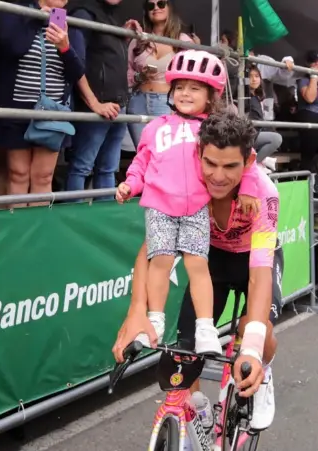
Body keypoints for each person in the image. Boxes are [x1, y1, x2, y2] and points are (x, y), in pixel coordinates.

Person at [113, 110, 282, 432]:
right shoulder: (185, 182)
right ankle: (199, 411)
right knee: (186, 345)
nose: (218, 176)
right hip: (212, 262)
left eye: (230, 166)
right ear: (198, 155)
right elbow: (150, 251)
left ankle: (264, 373)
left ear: (247, 162)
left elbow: (260, 271)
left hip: (253, 261)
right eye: (210, 163)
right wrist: (137, 311)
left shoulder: (263, 193)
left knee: (255, 329)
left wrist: (253, 350)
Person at [115, 49, 261, 356]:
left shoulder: (211, 130)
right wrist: (131, 183)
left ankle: (206, 328)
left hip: (195, 207)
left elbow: (246, 161)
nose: (185, 93)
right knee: (161, 262)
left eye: (195, 88)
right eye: (179, 86)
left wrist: (247, 188)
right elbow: (142, 162)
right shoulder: (155, 128)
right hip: (159, 207)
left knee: (197, 264)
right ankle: (154, 319)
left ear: (211, 95)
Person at [0, 0, 85, 207]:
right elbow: (13, 47)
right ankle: (20, 234)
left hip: (53, 111)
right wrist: (36, 18)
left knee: (43, 176)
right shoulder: (18, 12)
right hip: (17, 109)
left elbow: (77, 72)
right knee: (18, 174)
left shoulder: (70, 25)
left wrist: (65, 47)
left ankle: (38, 234)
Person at [65, 0, 137, 194]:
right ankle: (74, 219)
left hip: (117, 104)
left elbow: (105, 56)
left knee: (108, 169)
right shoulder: (83, 13)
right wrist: (94, 103)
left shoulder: (109, 17)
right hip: (97, 105)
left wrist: (122, 35)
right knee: (82, 167)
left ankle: (103, 219)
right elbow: (75, 61)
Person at [126, 0, 196, 149]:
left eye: (161, 3)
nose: (156, 8)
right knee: (143, 154)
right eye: (150, 6)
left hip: (168, 102)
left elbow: (192, 77)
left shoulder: (183, 41)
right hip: (138, 101)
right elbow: (127, 73)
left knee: (165, 154)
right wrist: (140, 77)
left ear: (169, 7)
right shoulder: (138, 40)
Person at [244, 65, 283, 162]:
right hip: (247, 134)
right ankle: (253, 165)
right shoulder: (245, 97)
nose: (254, 79)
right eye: (250, 76)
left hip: (255, 132)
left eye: (257, 76)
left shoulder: (257, 97)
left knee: (275, 136)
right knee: (276, 139)